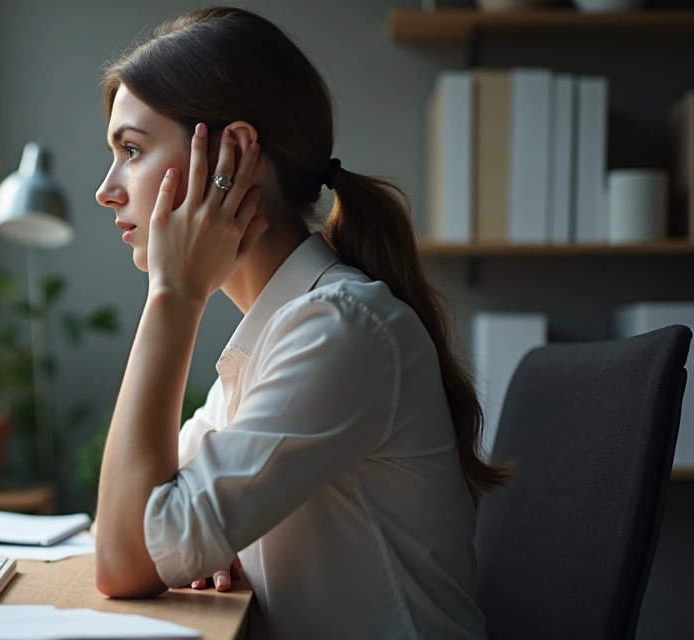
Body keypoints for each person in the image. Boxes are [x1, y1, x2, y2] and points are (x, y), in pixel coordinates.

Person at [91, 7, 509, 639]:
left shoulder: (338, 330)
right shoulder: (278, 335)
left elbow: (126, 559)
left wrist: (173, 294)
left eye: (131, 150)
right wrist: (184, 543)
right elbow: (123, 526)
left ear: (233, 155)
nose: (108, 189)